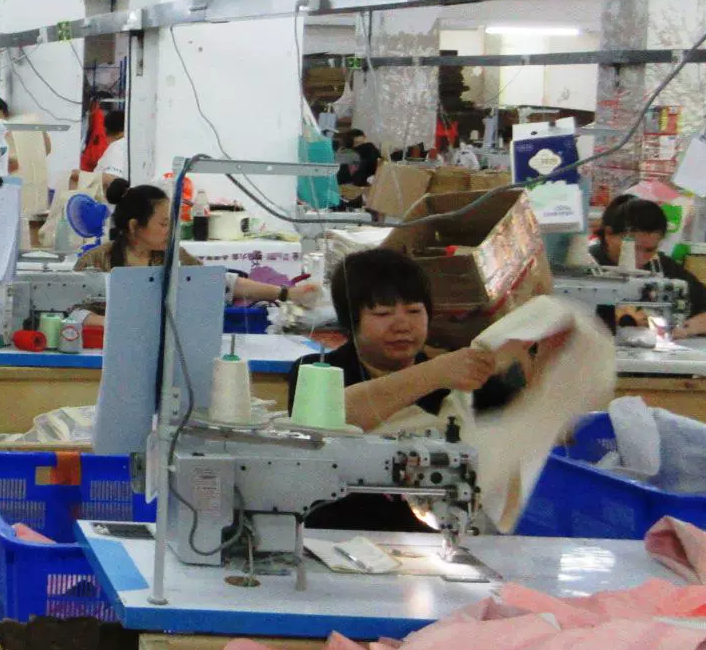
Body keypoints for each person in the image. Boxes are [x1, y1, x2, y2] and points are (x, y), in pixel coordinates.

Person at [286, 248, 528, 530]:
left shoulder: (462, 382)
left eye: (414, 311)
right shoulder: (317, 371)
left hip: (428, 535)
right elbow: (325, 421)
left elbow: (524, 435)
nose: (402, 325)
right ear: (351, 322)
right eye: (383, 313)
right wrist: (434, 373)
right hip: (337, 534)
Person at [96, 180, 319, 307]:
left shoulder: (175, 257)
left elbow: (222, 282)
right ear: (134, 226)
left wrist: (287, 294)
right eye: (164, 223)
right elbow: (79, 314)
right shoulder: (98, 260)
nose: (171, 230)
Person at [592, 194, 706, 336]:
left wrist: (684, 329)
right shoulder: (587, 265)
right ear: (608, 234)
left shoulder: (660, 265)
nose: (640, 258)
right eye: (631, 248)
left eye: (649, 250)